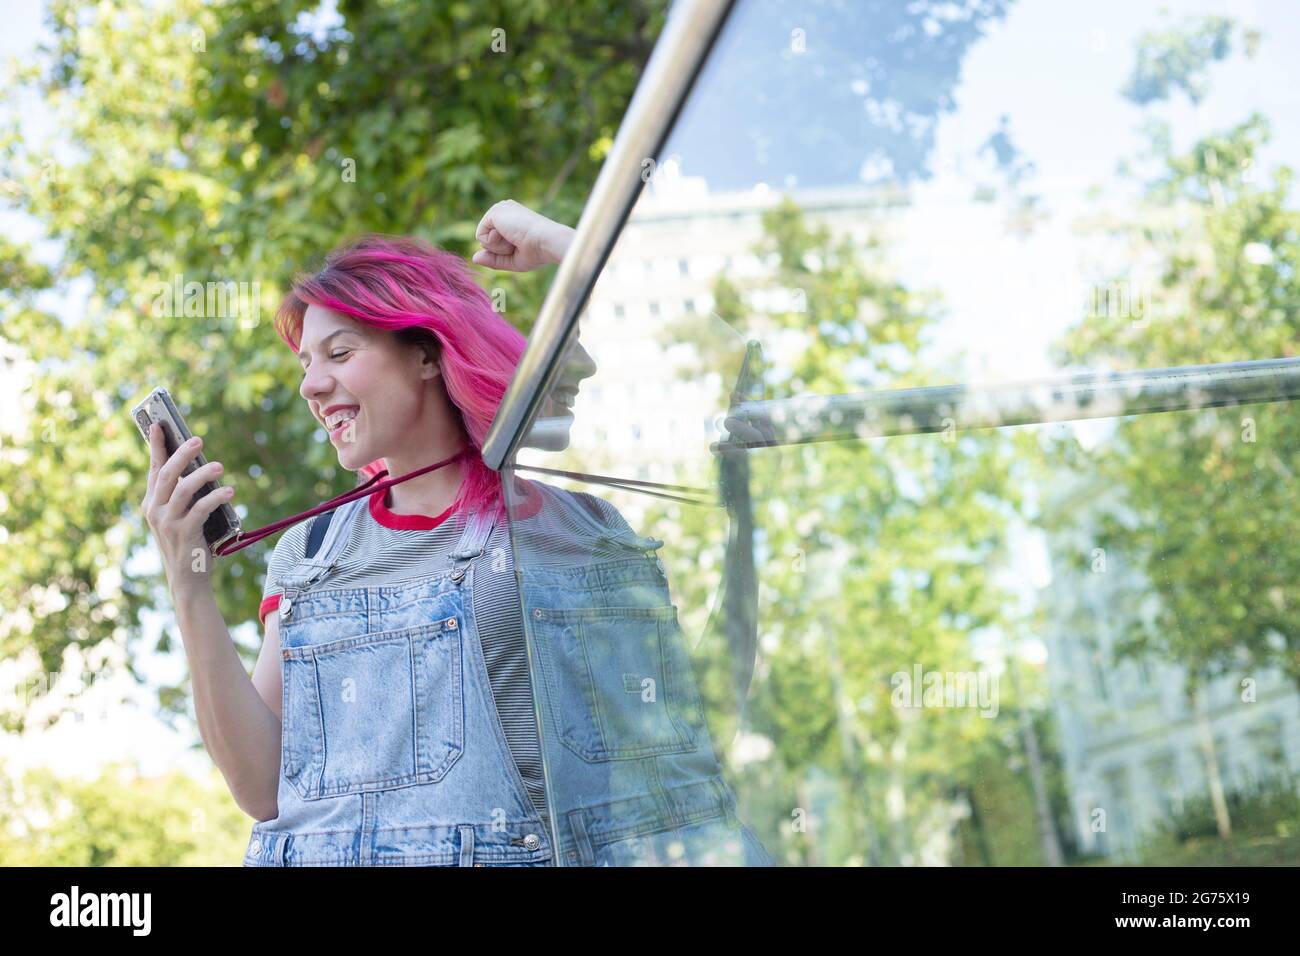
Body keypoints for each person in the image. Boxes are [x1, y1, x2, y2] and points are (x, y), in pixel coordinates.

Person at [142, 200, 772, 866]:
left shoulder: (584, 527)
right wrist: (189, 585)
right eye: (305, 364)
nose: (311, 385)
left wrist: (564, 243)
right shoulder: (312, 554)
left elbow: (693, 737)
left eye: (339, 352)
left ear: (425, 355)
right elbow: (262, 789)